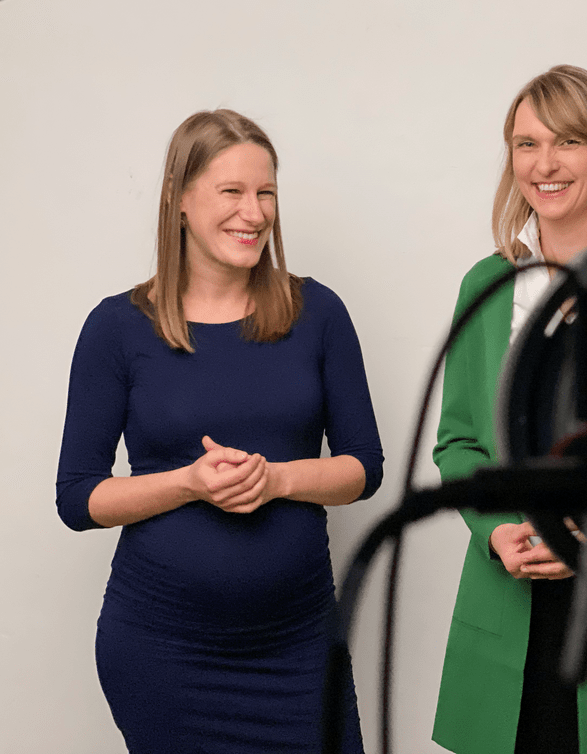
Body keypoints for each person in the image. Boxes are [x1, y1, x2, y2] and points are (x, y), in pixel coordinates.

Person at [55, 109, 383, 754]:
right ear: (179, 199)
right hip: (164, 657)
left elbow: (363, 467)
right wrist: (188, 483)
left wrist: (276, 479)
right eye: (232, 191)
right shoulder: (116, 328)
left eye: (266, 193)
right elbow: (77, 498)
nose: (253, 213)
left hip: (300, 649)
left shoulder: (318, 312)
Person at [431, 65, 587, 754]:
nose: (544, 165)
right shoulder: (487, 283)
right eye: (527, 144)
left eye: (567, 142)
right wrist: (494, 529)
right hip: (508, 601)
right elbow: (458, 442)